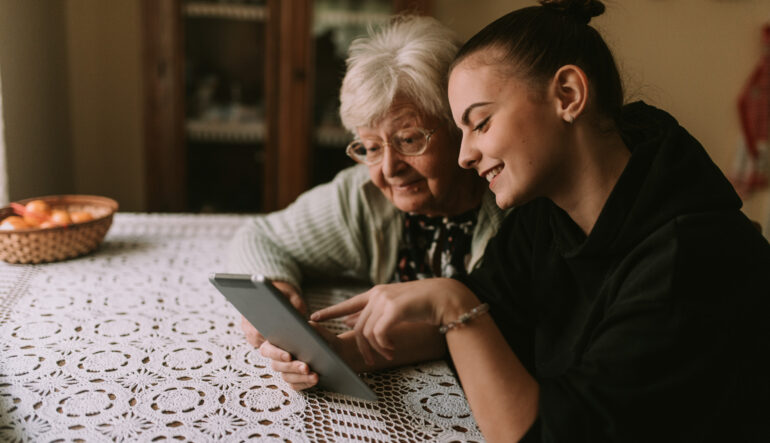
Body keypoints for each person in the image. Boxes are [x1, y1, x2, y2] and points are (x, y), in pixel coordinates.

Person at [280, 1, 770, 441]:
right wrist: (344, 353)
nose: (465, 155)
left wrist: (453, 303)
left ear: (568, 95)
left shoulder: (689, 258)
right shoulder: (545, 214)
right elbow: (491, 315)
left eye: (481, 123)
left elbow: (545, 431)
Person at [227, 15, 507, 386]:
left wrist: (349, 350)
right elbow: (260, 236)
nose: (389, 169)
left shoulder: (510, 208)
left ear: (460, 126)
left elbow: (503, 321)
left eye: (409, 140)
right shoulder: (363, 196)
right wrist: (278, 291)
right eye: (371, 147)